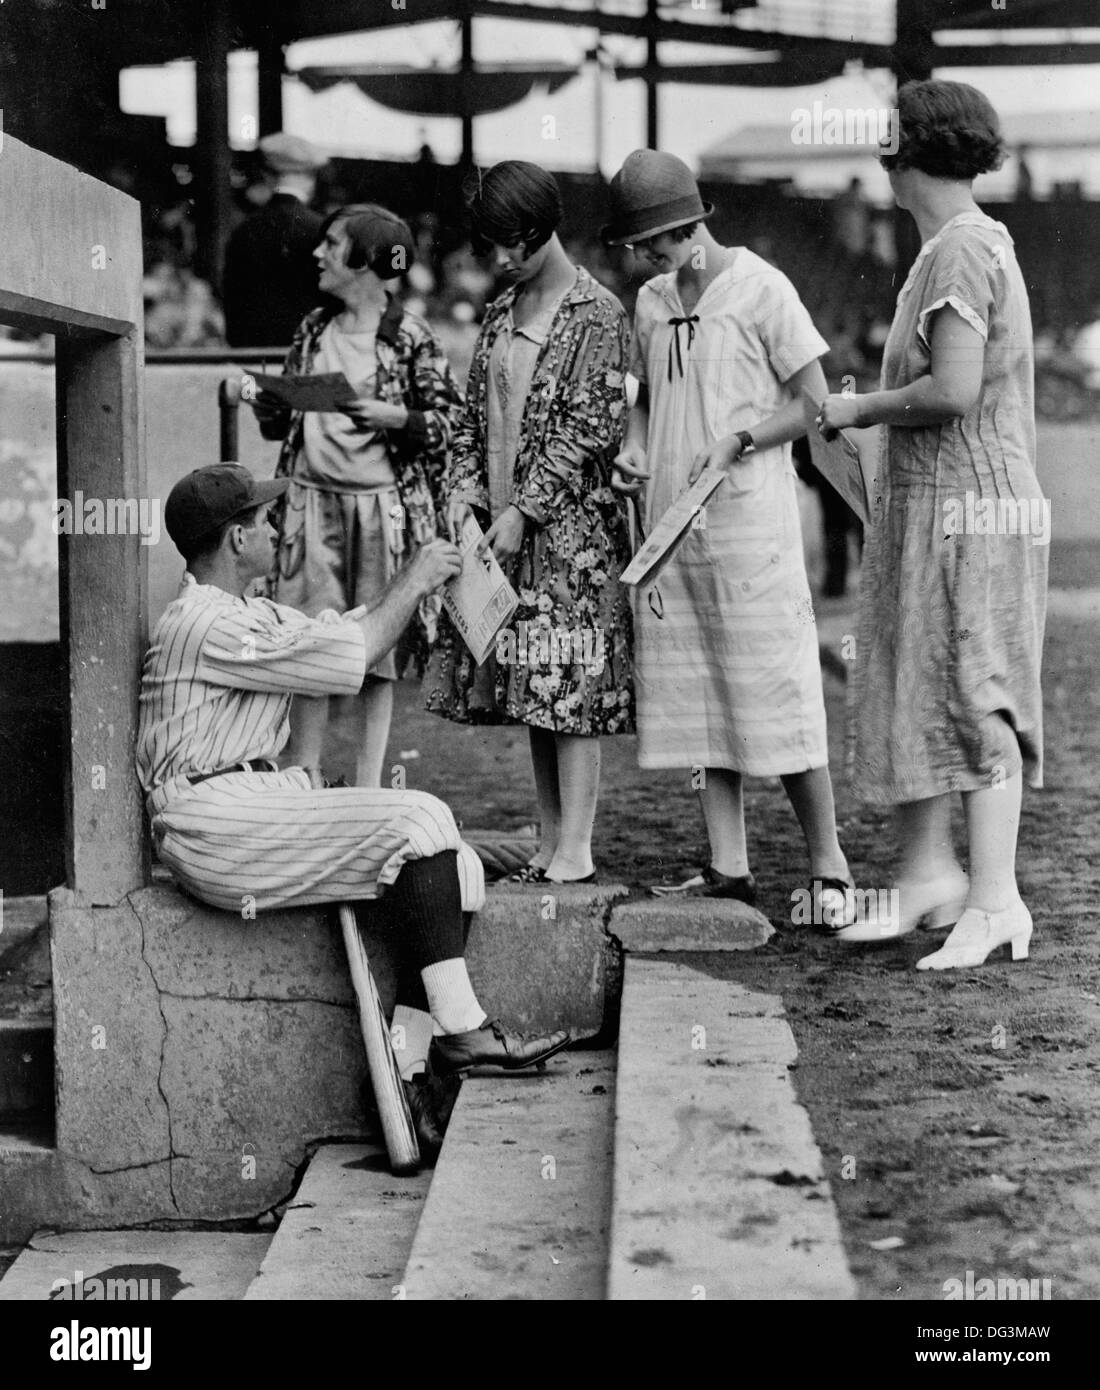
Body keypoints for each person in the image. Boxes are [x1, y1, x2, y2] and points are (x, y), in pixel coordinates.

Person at [137, 465, 571, 1158]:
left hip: (251, 798)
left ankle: (411, 1066)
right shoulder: (201, 622)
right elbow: (354, 654)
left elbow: (350, 629)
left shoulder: (248, 609)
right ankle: (466, 1031)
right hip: (208, 822)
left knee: (451, 861)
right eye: (264, 521)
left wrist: (422, 574)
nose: (277, 530)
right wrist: (418, 579)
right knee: (418, 816)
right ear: (236, 537)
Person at [818, 80, 1047, 970]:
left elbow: (952, 394)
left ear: (912, 151)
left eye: (890, 136)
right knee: (914, 675)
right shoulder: (939, 250)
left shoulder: (959, 252)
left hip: (973, 502)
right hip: (931, 499)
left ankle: (996, 900)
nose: (881, 151)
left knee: (974, 685)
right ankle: (927, 877)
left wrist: (859, 409)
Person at [605, 149, 854, 926]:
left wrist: (744, 439)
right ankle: (728, 865)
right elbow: (647, 395)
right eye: (643, 248)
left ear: (692, 226)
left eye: (661, 243)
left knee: (776, 687)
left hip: (749, 521)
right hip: (672, 522)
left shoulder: (761, 287)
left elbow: (816, 406)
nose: (651, 259)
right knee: (699, 686)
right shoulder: (649, 301)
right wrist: (637, 446)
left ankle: (830, 865)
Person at [422, 161, 635, 885]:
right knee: (532, 689)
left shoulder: (597, 313)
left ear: (545, 230)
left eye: (513, 243)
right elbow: (469, 415)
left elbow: (589, 428)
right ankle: (549, 842)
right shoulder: (500, 311)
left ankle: (575, 846)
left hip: (568, 536)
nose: (502, 259)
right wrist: (466, 493)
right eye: (492, 246)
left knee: (569, 685)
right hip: (505, 531)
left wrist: (525, 510)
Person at [252, 204, 463, 786]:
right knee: (309, 634)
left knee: (378, 643)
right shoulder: (313, 328)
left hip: (382, 509)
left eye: (333, 244)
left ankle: (371, 782)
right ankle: (306, 771)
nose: (319, 254)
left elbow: (452, 425)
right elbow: (282, 426)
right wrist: (273, 405)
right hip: (311, 503)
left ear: (366, 261)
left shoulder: (411, 336)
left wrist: (395, 417)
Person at [223, 133, 328, 348]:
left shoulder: (244, 231)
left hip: (253, 357)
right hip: (306, 356)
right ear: (309, 179)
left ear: (268, 176)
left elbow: (231, 300)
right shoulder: (322, 229)